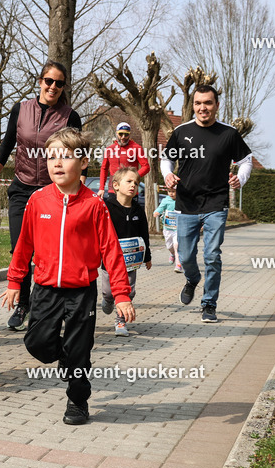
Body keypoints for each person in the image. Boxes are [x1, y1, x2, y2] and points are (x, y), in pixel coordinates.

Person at [2, 128, 134, 425]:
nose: (56, 163)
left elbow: (111, 252)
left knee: (80, 351)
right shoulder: (37, 201)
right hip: (46, 288)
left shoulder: (94, 205)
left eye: (64, 156)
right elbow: (24, 245)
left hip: (81, 291)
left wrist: (122, 293)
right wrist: (14, 281)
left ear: (84, 162)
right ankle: (64, 356)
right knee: (36, 343)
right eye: (51, 157)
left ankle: (77, 400)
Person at [0, 62, 83, 332]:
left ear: (64, 87)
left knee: (51, 251)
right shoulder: (21, 109)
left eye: (59, 83)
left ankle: (53, 304)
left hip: (54, 191)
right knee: (19, 249)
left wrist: (80, 186)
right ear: (40, 81)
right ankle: (23, 304)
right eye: (49, 81)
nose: (53, 87)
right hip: (22, 187)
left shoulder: (69, 116)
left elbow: (76, 154)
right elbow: (7, 143)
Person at [161, 85, 252, 323]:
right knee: (186, 256)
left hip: (216, 203)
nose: (203, 108)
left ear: (216, 106)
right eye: (199, 103)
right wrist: (168, 175)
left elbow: (246, 161)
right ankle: (192, 279)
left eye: (208, 103)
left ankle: (209, 304)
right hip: (186, 203)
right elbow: (166, 160)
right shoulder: (181, 132)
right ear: (193, 106)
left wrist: (240, 178)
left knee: (212, 255)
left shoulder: (229, 133)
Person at [101, 167, 152, 336]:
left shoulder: (138, 210)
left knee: (129, 290)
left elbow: (144, 233)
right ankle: (108, 300)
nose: (133, 186)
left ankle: (120, 321)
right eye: (129, 181)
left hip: (131, 259)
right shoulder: (106, 207)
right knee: (109, 291)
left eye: (136, 183)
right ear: (115, 185)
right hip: (109, 260)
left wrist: (148, 257)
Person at [97, 122, 150, 201]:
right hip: (113, 189)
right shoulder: (109, 149)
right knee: (112, 213)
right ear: (116, 133)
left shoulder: (136, 148)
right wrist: (101, 188)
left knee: (129, 213)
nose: (123, 137)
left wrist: (134, 177)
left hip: (130, 189)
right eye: (120, 134)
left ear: (129, 134)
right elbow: (104, 169)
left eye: (126, 134)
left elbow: (146, 166)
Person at [153, 188, 182, 272]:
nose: (171, 193)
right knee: (169, 245)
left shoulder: (181, 200)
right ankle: (172, 254)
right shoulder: (166, 200)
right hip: (168, 228)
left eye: (173, 191)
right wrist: (157, 212)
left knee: (176, 245)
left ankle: (178, 265)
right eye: (169, 192)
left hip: (177, 228)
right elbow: (160, 208)